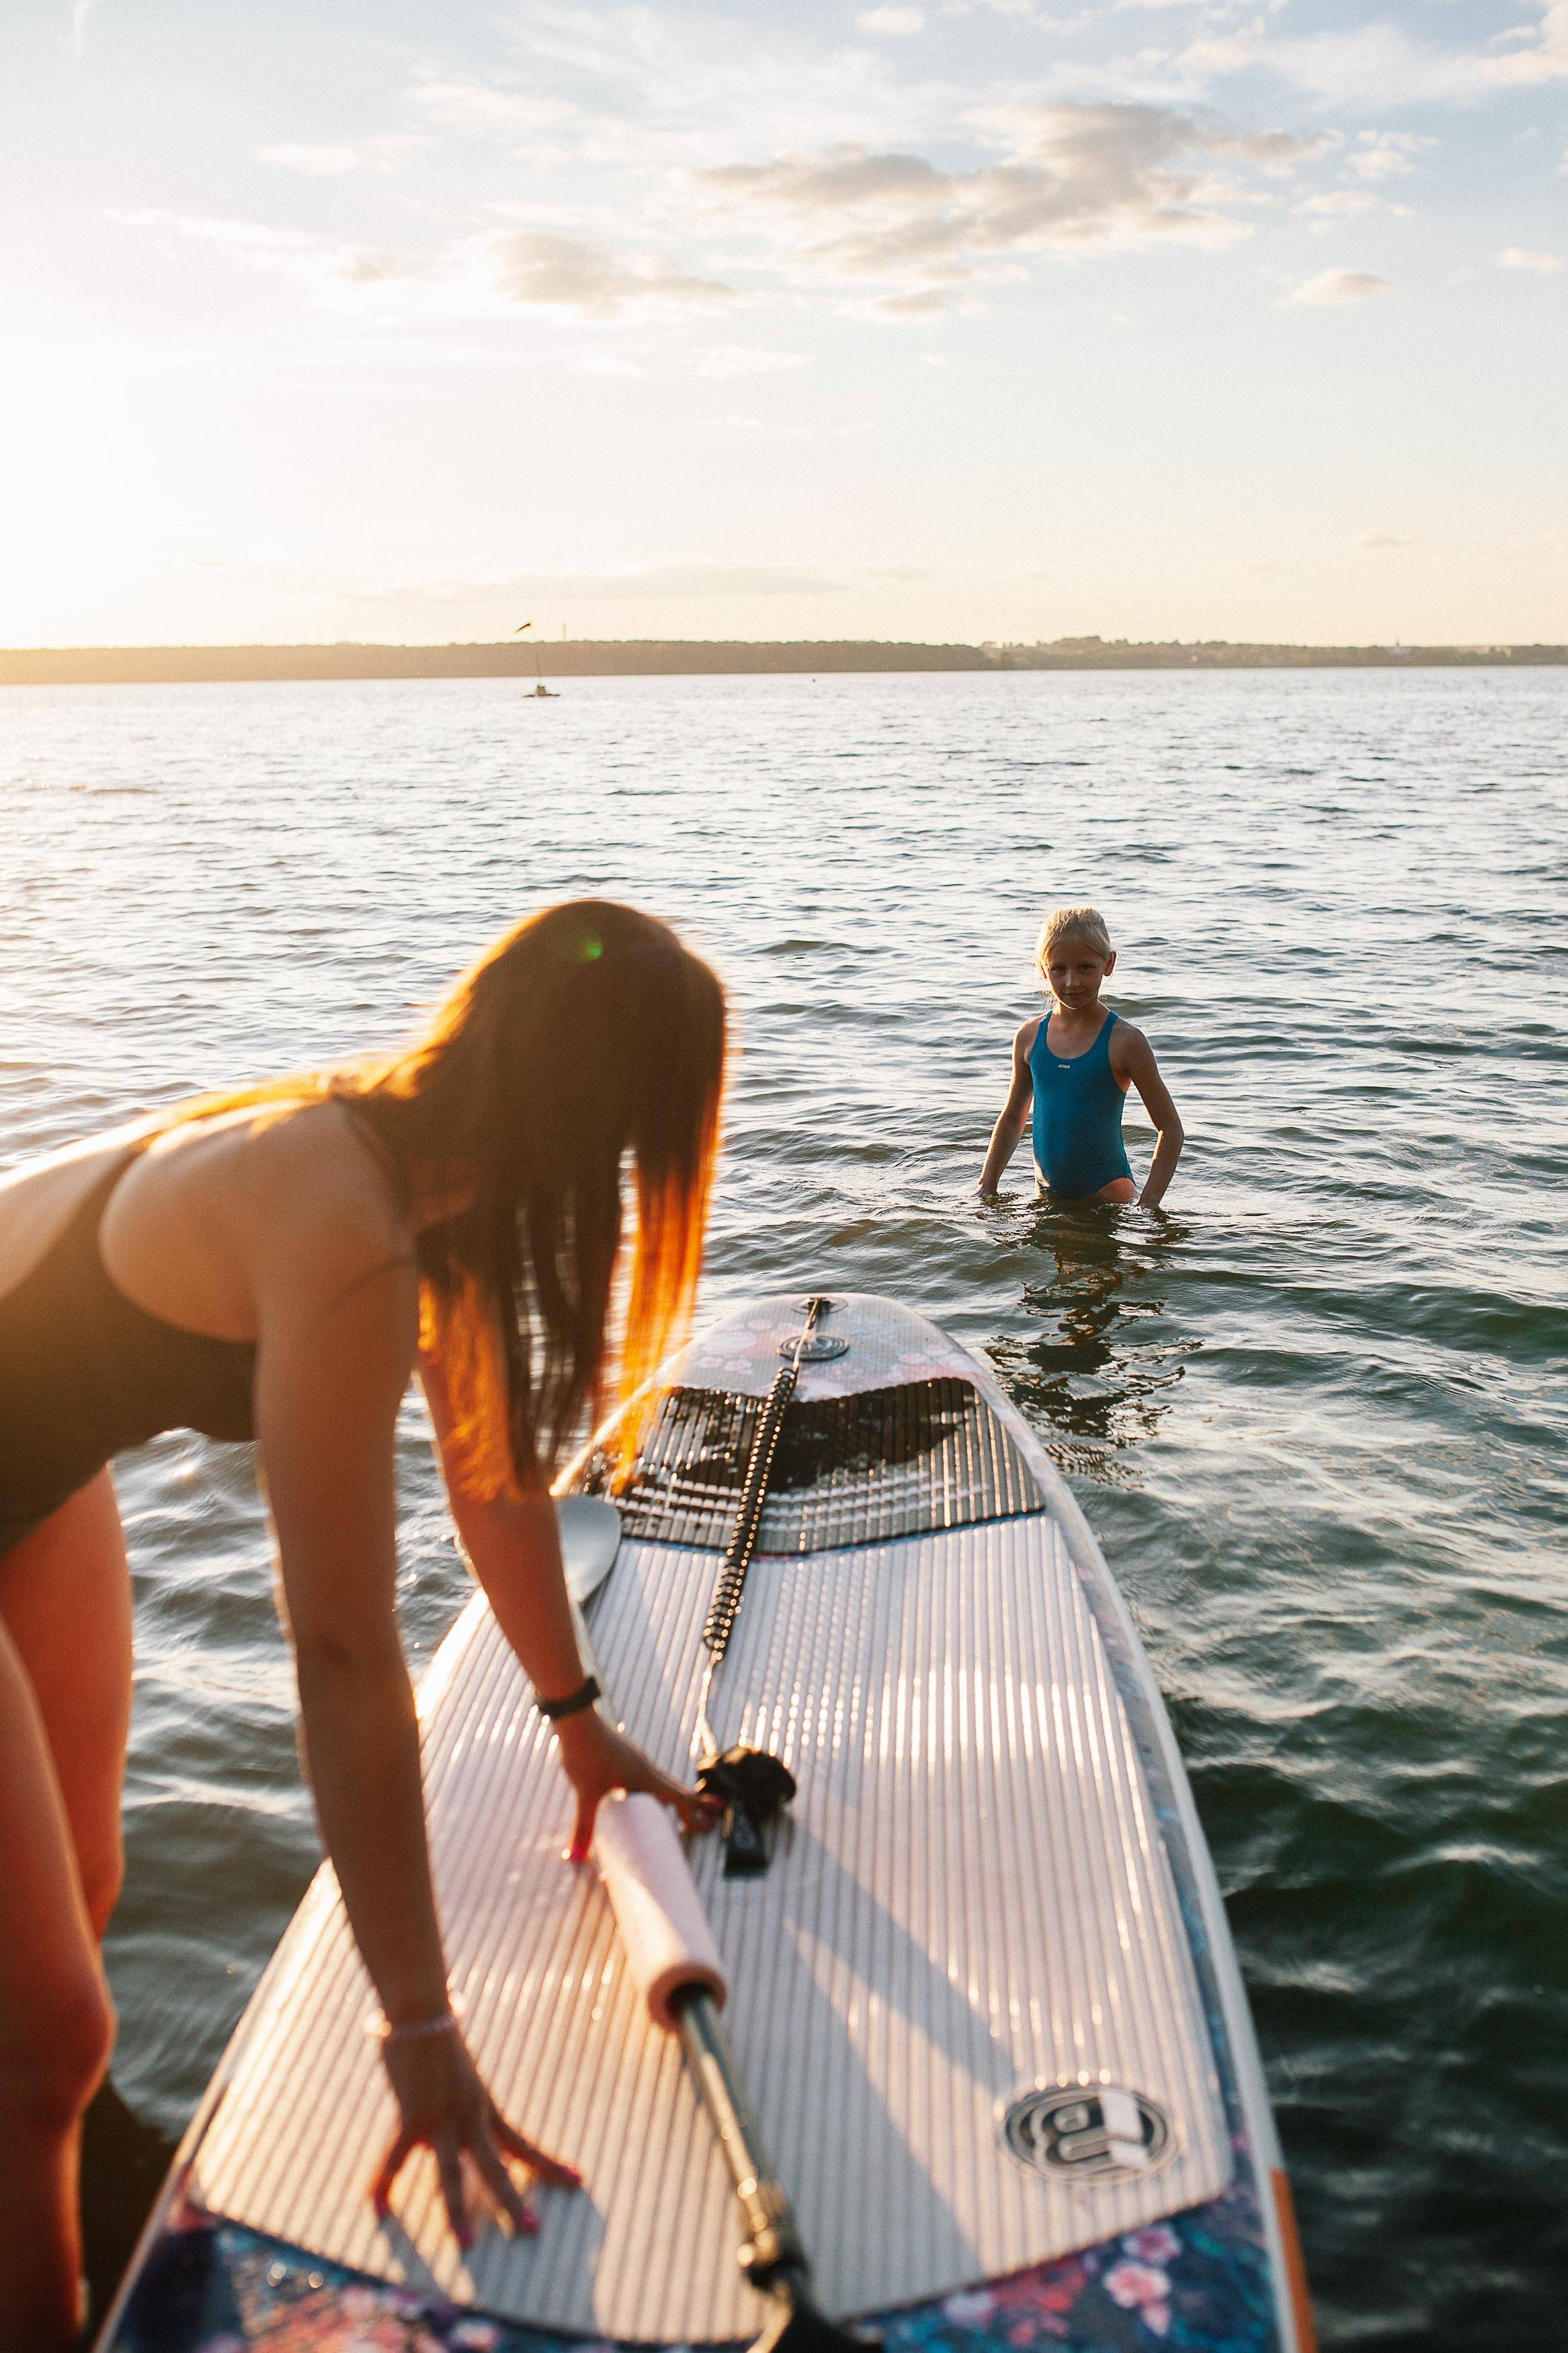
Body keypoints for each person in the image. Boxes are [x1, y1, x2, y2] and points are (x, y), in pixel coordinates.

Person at [0, 900, 727, 2350]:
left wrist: (579, 1729)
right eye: (642, 1150)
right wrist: (418, 2031)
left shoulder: (416, 1177)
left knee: (79, 1890)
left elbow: (496, 1486)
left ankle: (47, 2189)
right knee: (50, 2033)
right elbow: (337, 1653)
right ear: (587, 1122)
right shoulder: (341, 1218)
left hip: (32, 1471)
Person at [978, 905, 1183, 1207]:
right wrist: (986, 1187)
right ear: (1044, 968)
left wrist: (1148, 1207)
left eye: (1085, 968)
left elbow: (1171, 1130)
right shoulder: (1030, 1037)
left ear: (1108, 963)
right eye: (1059, 969)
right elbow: (1011, 1119)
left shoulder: (1125, 1041)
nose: (1071, 982)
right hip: (1048, 1197)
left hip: (1109, 1198)